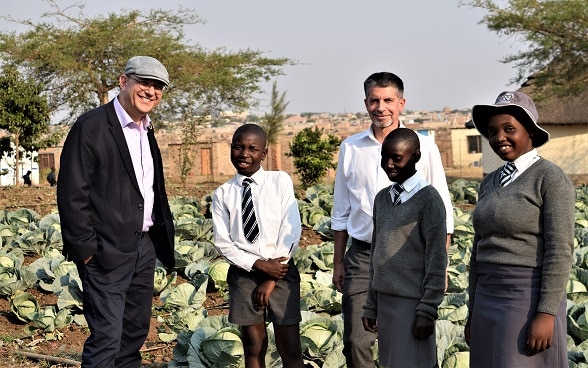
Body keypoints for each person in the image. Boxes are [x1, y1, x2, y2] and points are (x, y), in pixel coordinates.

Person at [57, 56, 175, 368]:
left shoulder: (146, 129)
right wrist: (86, 251)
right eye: (144, 83)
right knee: (106, 338)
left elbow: (148, 189)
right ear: (124, 82)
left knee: (132, 336)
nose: (151, 91)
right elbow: (72, 192)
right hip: (105, 252)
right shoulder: (91, 127)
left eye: (158, 86)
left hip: (142, 248)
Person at [331, 71, 454, 367]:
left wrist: (441, 266)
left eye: (388, 100)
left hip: (411, 260)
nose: (380, 107)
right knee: (356, 341)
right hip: (363, 258)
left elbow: (443, 212)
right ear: (365, 103)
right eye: (374, 100)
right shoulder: (351, 148)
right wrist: (338, 261)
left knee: (412, 341)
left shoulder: (424, 148)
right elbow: (341, 212)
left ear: (401, 103)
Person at [465, 91, 575, 367]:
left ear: (530, 132)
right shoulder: (489, 182)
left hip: (525, 298)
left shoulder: (550, 178)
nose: (499, 137)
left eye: (509, 129)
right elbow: (478, 251)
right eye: (492, 131)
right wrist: (472, 310)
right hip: (487, 295)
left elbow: (560, 250)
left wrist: (546, 313)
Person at [211, 123, 304, 368]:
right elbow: (223, 242)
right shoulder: (222, 194)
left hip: (281, 272)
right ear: (230, 149)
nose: (244, 154)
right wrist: (259, 265)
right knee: (254, 345)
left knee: (290, 346)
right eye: (238, 147)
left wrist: (272, 276)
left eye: (253, 148)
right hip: (245, 275)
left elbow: (291, 230)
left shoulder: (280, 181)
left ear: (263, 154)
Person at [362, 127, 447, 367]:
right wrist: (371, 304)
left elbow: (437, 259)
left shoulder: (428, 200)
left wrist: (427, 310)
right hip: (385, 302)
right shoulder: (382, 198)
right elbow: (376, 256)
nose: (389, 164)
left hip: (413, 305)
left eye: (397, 158)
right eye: (384, 157)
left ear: (416, 157)